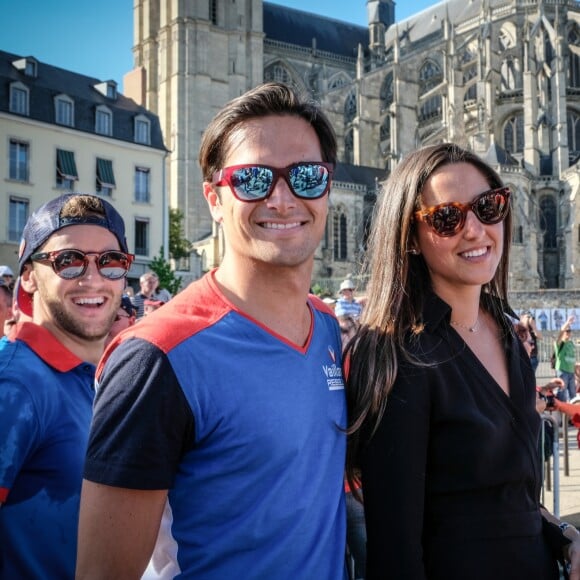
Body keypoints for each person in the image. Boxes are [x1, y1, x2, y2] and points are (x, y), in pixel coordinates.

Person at [76, 82, 347, 579]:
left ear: (328, 188)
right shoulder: (156, 357)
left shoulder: (327, 329)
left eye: (307, 176)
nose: (282, 199)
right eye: (253, 179)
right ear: (214, 200)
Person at [345, 143, 580, 579]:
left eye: (488, 207)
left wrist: (564, 537)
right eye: (447, 218)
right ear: (410, 239)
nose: (474, 230)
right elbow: (396, 551)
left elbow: (512, 502)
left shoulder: (506, 332)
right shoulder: (400, 356)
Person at [0, 193, 132, 579]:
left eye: (110, 262)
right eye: (69, 261)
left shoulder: (99, 378)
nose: (92, 278)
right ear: (28, 275)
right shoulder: (14, 384)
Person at [555, 315, 577, 402]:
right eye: (566, 331)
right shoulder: (560, 343)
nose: (568, 332)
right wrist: (567, 323)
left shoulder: (571, 344)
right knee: (562, 395)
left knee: (573, 395)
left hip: (571, 372)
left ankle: (573, 414)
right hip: (562, 371)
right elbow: (560, 333)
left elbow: (572, 358)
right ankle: (561, 414)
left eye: (569, 331)